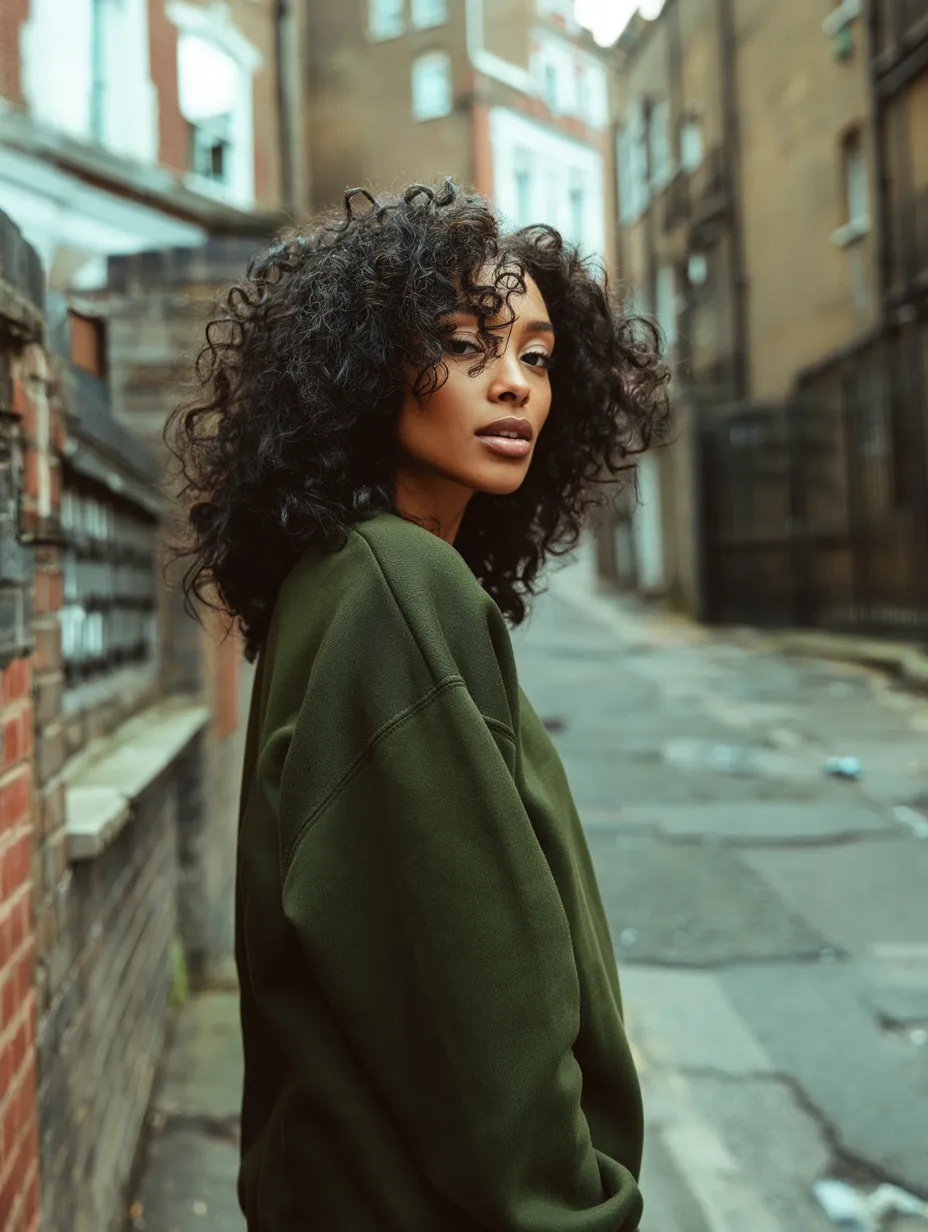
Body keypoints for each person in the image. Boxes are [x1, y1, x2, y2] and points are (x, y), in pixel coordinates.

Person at [166, 180, 669, 1231]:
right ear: (361, 369)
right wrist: (574, 1207)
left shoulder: (348, 575)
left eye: (537, 355)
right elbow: (478, 996)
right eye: (464, 343)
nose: (514, 383)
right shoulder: (396, 587)